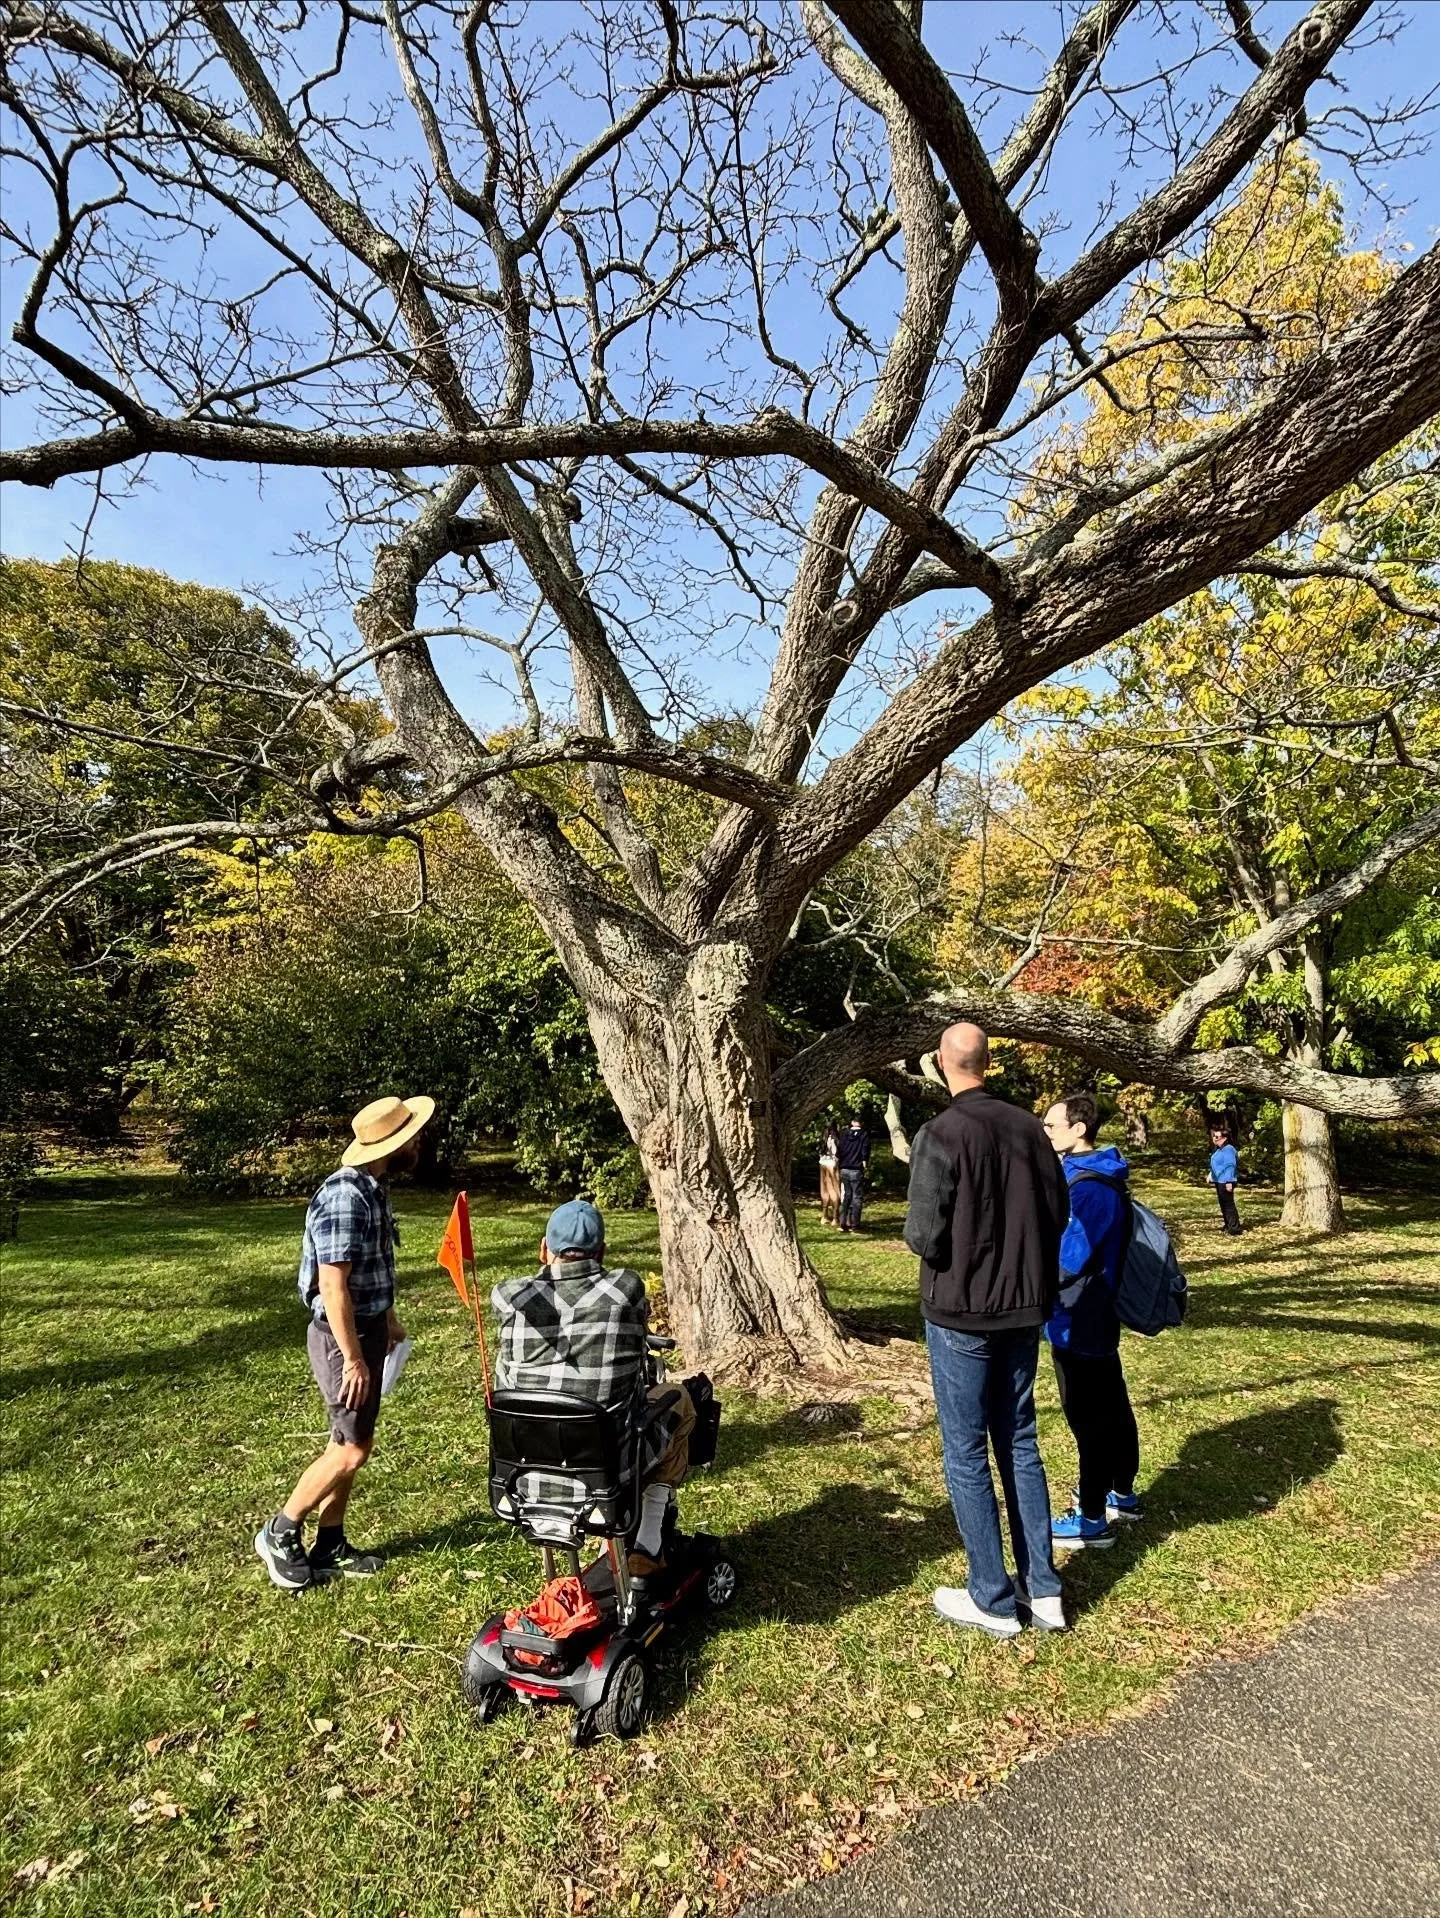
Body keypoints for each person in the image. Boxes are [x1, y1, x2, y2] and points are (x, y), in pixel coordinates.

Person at [904, 1023, 1071, 1636]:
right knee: (1020, 1440)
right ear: (988, 1063)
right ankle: (1044, 1587)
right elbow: (1058, 1211)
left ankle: (993, 1597)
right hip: (1025, 1308)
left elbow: (922, 1234)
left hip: (961, 1313)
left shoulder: (940, 1134)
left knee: (968, 1450)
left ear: (944, 1065)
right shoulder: (1032, 1129)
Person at [254, 1092, 433, 1594]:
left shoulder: (374, 1187)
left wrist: (389, 1319)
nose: (418, 1141)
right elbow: (332, 1287)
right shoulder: (345, 1197)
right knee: (352, 1450)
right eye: (411, 1135)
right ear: (392, 1144)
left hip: (369, 1328)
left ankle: (330, 1542)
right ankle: (280, 1531)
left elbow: (373, 1267)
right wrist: (353, 1358)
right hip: (343, 1338)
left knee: (351, 1439)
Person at [492, 1198, 695, 1594]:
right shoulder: (625, 1290)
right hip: (607, 1476)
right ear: (602, 1252)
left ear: (543, 1250)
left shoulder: (508, 1298)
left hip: (521, 1478)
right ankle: (649, 1541)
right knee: (679, 1401)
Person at [1041, 1094, 1143, 1551]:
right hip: (1092, 1313)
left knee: (1090, 1417)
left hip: (1078, 1316)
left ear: (1078, 1129)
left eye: (1051, 1126)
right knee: (1111, 1403)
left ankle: (1092, 1517)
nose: (1045, 1133)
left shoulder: (1090, 1189)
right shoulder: (1096, 1175)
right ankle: (1123, 1491)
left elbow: (1070, 1258)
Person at [1208, 1123, 1244, 1236]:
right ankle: (1228, 1224)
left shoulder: (1228, 1149)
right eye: (1214, 1136)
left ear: (1224, 1138)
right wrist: (1210, 1175)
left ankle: (1235, 1228)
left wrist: (1229, 1181)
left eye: (1217, 1137)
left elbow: (1230, 1166)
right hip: (1219, 1181)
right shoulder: (1219, 1150)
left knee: (1228, 1205)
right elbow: (1217, 1165)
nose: (1215, 1138)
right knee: (1223, 1204)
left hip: (1226, 1181)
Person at [836, 1114, 870, 1232]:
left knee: (847, 1195)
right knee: (857, 1197)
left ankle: (843, 1222)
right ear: (862, 1123)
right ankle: (855, 1224)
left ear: (852, 1122)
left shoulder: (845, 1134)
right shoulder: (864, 1135)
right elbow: (864, 1150)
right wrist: (865, 1163)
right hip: (856, 1168)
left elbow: (839, 1150)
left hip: (844, 1168)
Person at [819, 1123, 842, 1228]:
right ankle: (835, 1217)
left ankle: (824, 1215)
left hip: (822, 1162)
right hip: (832, 1164)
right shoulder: (835, 1140)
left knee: (824, 1189)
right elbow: (836, 1153)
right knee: (835, 1190)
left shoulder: (822, 1140)